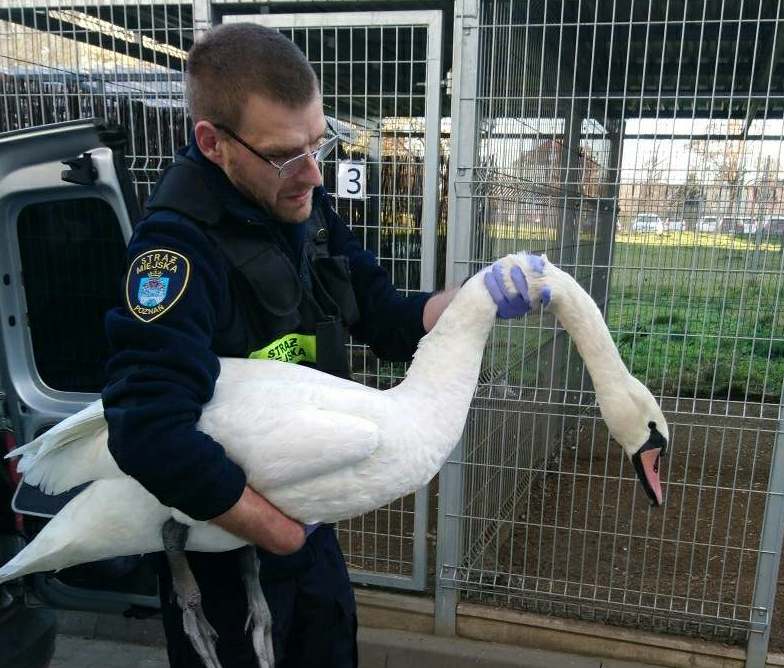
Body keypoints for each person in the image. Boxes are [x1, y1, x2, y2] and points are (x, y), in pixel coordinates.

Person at [101, 22, 538, 668]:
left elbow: (386, 318)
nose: (312, 171)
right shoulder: (175, 253)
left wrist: (471, 301)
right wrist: (273, 530)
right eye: (285, 154)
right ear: (213, 143)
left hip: (311, 542)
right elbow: (146, 428)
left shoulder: (307, 211)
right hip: (227, 560)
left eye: (319, 141)